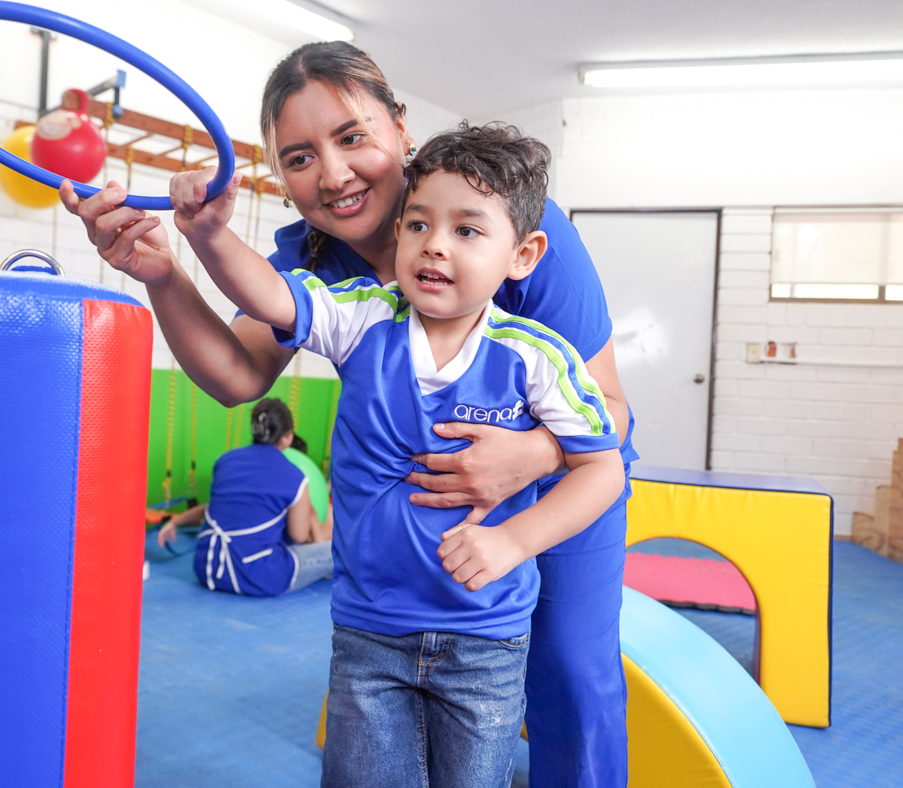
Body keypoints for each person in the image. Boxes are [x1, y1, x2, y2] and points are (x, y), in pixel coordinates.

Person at [61, 42, 637, 788]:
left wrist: (528, 458)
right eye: (299, 158)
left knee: (570, 668)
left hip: (559, 482)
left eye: (352, 137)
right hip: (404, 554)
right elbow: (237, 375)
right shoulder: (319, 267)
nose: (332, 175)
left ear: (400, 127)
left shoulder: (501, 216)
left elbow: (611, 411)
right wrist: (165, 273)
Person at [189, 120, 625, 786]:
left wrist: (513, 542)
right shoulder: (363, 316)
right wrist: (209, 236)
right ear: (398, 234)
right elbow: (272, 297)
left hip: (485, 638)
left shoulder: (536, 357)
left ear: (523, 255)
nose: (436, 245)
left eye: (467, 231)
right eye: (418, 225)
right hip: (370, 631)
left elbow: (603, 468)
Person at [157, 398, 333, 596]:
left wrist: (176, 521)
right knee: (338, 551)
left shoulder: (225, 461)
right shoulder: (295, 476)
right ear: (288, 436)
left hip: (208, 568)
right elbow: (298, 536)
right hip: (256, 575)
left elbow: (218, 508)